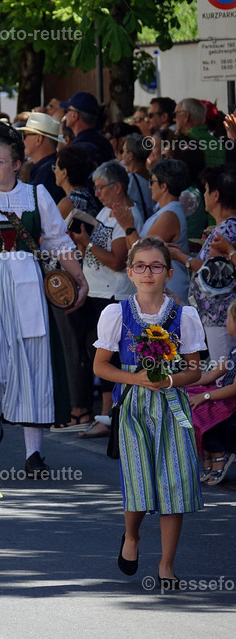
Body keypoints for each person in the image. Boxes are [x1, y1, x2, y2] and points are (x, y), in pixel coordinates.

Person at [0, 122, 88, 476]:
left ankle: (33, 454)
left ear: (16, 164)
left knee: (31, 362)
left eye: (0, 162)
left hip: (28, 282)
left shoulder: (37, 194)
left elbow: (59, 242)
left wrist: (79, 278)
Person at [93, 236, 205, 589]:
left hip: (171, 405)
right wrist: (136, 378)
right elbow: (101, 366)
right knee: (140, 481)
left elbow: (195, 370)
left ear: (169, 273)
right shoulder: (117, 314)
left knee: (173, 482)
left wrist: (169, 380)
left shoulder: (184, 315)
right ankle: (132, 534)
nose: (147, 272)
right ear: (129, 272)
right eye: (140, 266)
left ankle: (167, 565)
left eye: (156, 266)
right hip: (133, 405)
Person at [66, 161, 141, 436]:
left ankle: (109, 417)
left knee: (109, 355)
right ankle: (106, 416)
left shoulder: (127, 216)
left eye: (101, 188)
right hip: (98, 293)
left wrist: (86, 243)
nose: (96, 194)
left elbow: (117, 261)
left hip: (112, 294)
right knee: (97, 352)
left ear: (117, 187)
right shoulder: (107, 212)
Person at [167, 164, 236, 361]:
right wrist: (182, 254)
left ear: (216, 196)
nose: (204, 195)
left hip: (220, 315)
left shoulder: (225, 229)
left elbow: (211, 272)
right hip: (218, 314)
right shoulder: (227, 227)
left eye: (206, 190)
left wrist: (180, 257)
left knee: (223, 371)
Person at [187, 300, 236, 485]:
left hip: (232, 399)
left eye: (229, 318)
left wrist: (205, 396)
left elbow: (234, 388)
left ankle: (219, 453)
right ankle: (209, 451)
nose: (225, 323)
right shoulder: (234, 350)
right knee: (188, 397)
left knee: (202, 408)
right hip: (226, 395)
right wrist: (182, 381)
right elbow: (213, 374)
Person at [137, 159, 191, 303]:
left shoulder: (169, 215)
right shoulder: (166, 212)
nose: (149, 186)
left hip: (172, 291)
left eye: (152, 182)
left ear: (164, 186)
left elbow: (142, 251)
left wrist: (128, 226)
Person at [21, 113, 65, 203]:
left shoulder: (48, 172)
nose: (23, 140)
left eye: (25, 135)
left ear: (39, 139)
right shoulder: (46, 168)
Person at [61, 92, 114, 166]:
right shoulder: (105, 143)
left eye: (66, 110)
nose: (65, 114)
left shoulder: (76, 150)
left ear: (74, 115)